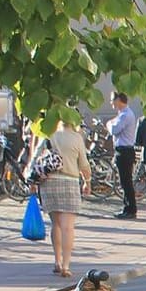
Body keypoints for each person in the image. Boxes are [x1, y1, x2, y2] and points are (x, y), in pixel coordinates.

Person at [34, 117, 91, 278]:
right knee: (68, 227)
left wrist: (32, 179)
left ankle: (57, 261)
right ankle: (66, 265)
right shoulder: (76, 138)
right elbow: (84, 164)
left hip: (50, 183)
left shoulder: (48, 134)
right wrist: (87, 182)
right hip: (70, 183)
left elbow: (36, 157)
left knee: (56, 225)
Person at [107, 92, 138, 219]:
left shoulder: (125, 115)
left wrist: (109, 124)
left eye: (112, 100)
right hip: (124, 150)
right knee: (125, 181)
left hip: (124, 151)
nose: (111, 103)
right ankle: (127, 207)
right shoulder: (123, 114)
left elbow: (114, 129)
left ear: (119, 100)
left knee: (126, 182)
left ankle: (130, 209)